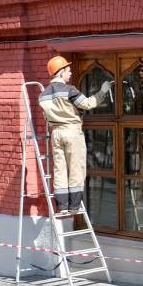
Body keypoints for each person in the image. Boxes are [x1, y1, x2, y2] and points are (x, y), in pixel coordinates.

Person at [39, 56, 111, 214]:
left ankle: (62, 206)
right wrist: (103, 91)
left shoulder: (43, 94)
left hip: (56, 133)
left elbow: (47, 117)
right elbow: (87, 104)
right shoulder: (69, 90)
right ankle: (74, 207)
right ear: (60, 71)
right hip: (72, 131)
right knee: (76, 168)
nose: (70, 73)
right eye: (68, 70)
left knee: (60, 169)